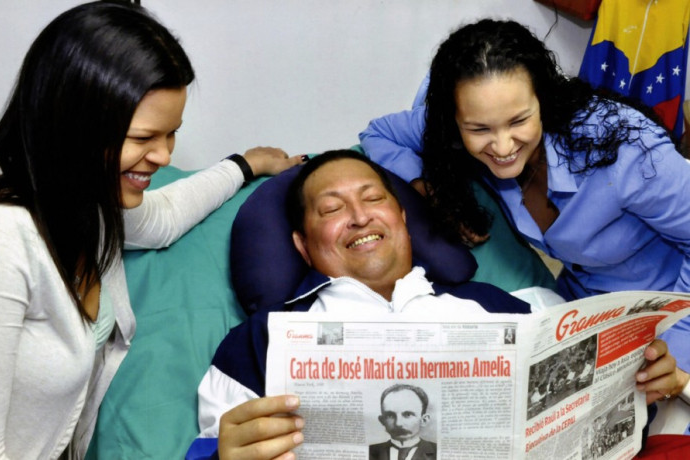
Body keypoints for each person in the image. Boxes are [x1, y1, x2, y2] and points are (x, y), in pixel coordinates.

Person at [0, 2, 301, 458]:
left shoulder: (80, 193)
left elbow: (163, 218)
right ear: (73, 124)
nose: (162, 156)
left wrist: (244, 164)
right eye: (143, 139)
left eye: (171, 133)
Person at [191, 150, 680, 460]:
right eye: (332, 209)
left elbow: (604, 427)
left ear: (402, 218)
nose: (359, 216)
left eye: (372, 199)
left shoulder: (515, 308)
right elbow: (216, 447)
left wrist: (640, 382)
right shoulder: (258, 344)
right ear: (302, 244)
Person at [359, 18, 690, 407]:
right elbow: (377, 134)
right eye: (479, 129)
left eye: (518, 121)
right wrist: (425, 187)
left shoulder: (630, 150)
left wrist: (673, 347)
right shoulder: (452, 124)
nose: (501, 146)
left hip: (674, 302)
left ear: (543, 101)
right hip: (585, 302)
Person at [369, 383, 437, 460]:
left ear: (424, 420)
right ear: (382, 420)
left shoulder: (438, 451)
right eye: (390, 416)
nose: (398, 423)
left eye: (407, 414)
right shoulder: (369, 451)